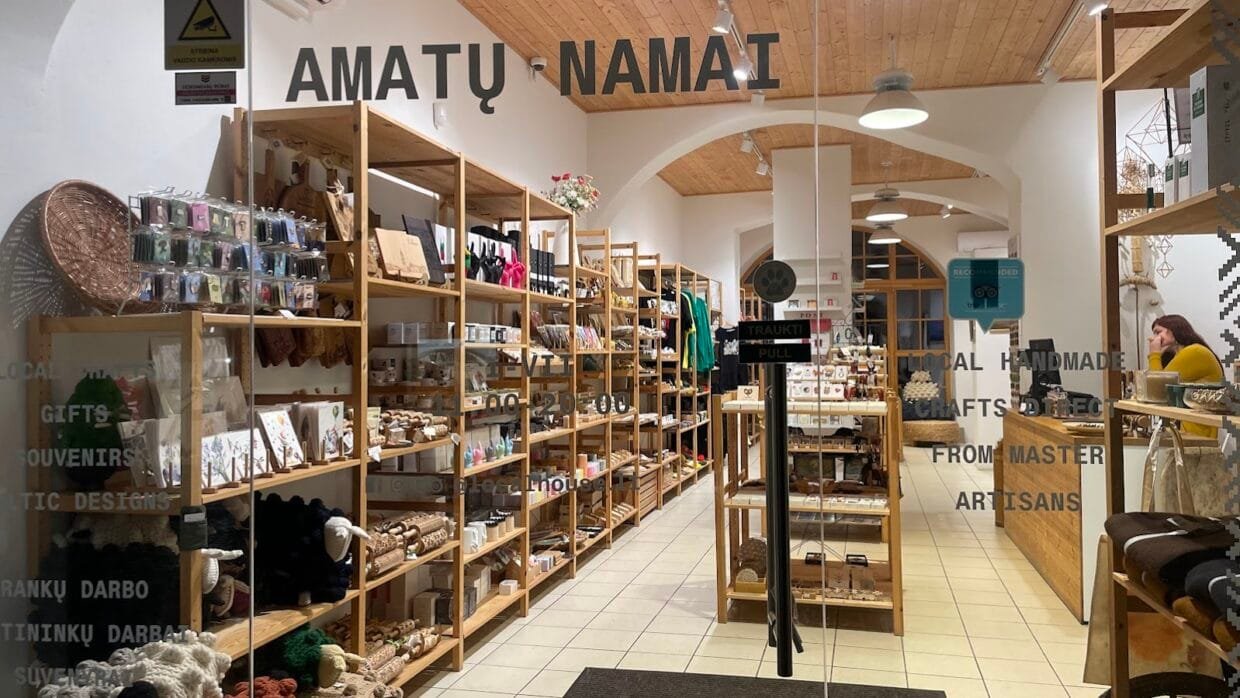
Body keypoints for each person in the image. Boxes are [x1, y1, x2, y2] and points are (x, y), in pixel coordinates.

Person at [1148, 314, 1224, 437]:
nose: (1154, 338)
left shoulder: (1194, 352)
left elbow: (1157, 391)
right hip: (1188, 431)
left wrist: (1154, 354)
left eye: (1158, 332)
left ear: (1173, 329)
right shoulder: (1182, 355)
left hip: (1197, 435)